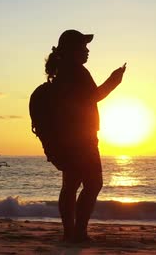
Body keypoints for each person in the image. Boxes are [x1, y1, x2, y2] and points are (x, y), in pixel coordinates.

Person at [44, 29, 126, 243]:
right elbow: (94, 97)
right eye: (83, 47)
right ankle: (78, 233)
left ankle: (69, 233)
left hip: (67, 138)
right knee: (93, 184)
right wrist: (114, 80)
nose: (87, 51)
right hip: (82, 138)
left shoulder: (62, 72)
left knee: (70, 185)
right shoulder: (78, 72)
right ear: (72, 50)